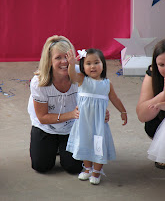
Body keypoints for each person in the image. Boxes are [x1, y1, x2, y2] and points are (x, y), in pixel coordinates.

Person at [28, 35, 109, 174]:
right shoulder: (38, 82)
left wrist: (102, 111)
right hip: (47, 127)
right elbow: (42, 117)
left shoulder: (82, 75)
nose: (64, 61)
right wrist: (71, 114)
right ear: (49, 60)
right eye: (58, 57)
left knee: (74, 167)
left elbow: (97, 94)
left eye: (67, 56)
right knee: (41, 166)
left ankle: (61, 146)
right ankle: (54, 146)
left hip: (73, 126)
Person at [65, 48, 127, 185]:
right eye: (88, 63)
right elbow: (72, 76)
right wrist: (71, 64)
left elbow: (115, 99)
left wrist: (123, 112)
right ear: (83, 67)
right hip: (84, 123)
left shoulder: (107, 84)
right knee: (85, 144)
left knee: (99, 147)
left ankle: (97, 171)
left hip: (99, 124)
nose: (92, 66)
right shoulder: (82, 80)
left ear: (103, 64)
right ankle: (87, 168)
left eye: (96, 62)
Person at [136, 39, 165, 169]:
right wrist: (163, 94)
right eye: (162, 65)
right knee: (152, 124)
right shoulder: (153, 74)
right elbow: (142, 115)